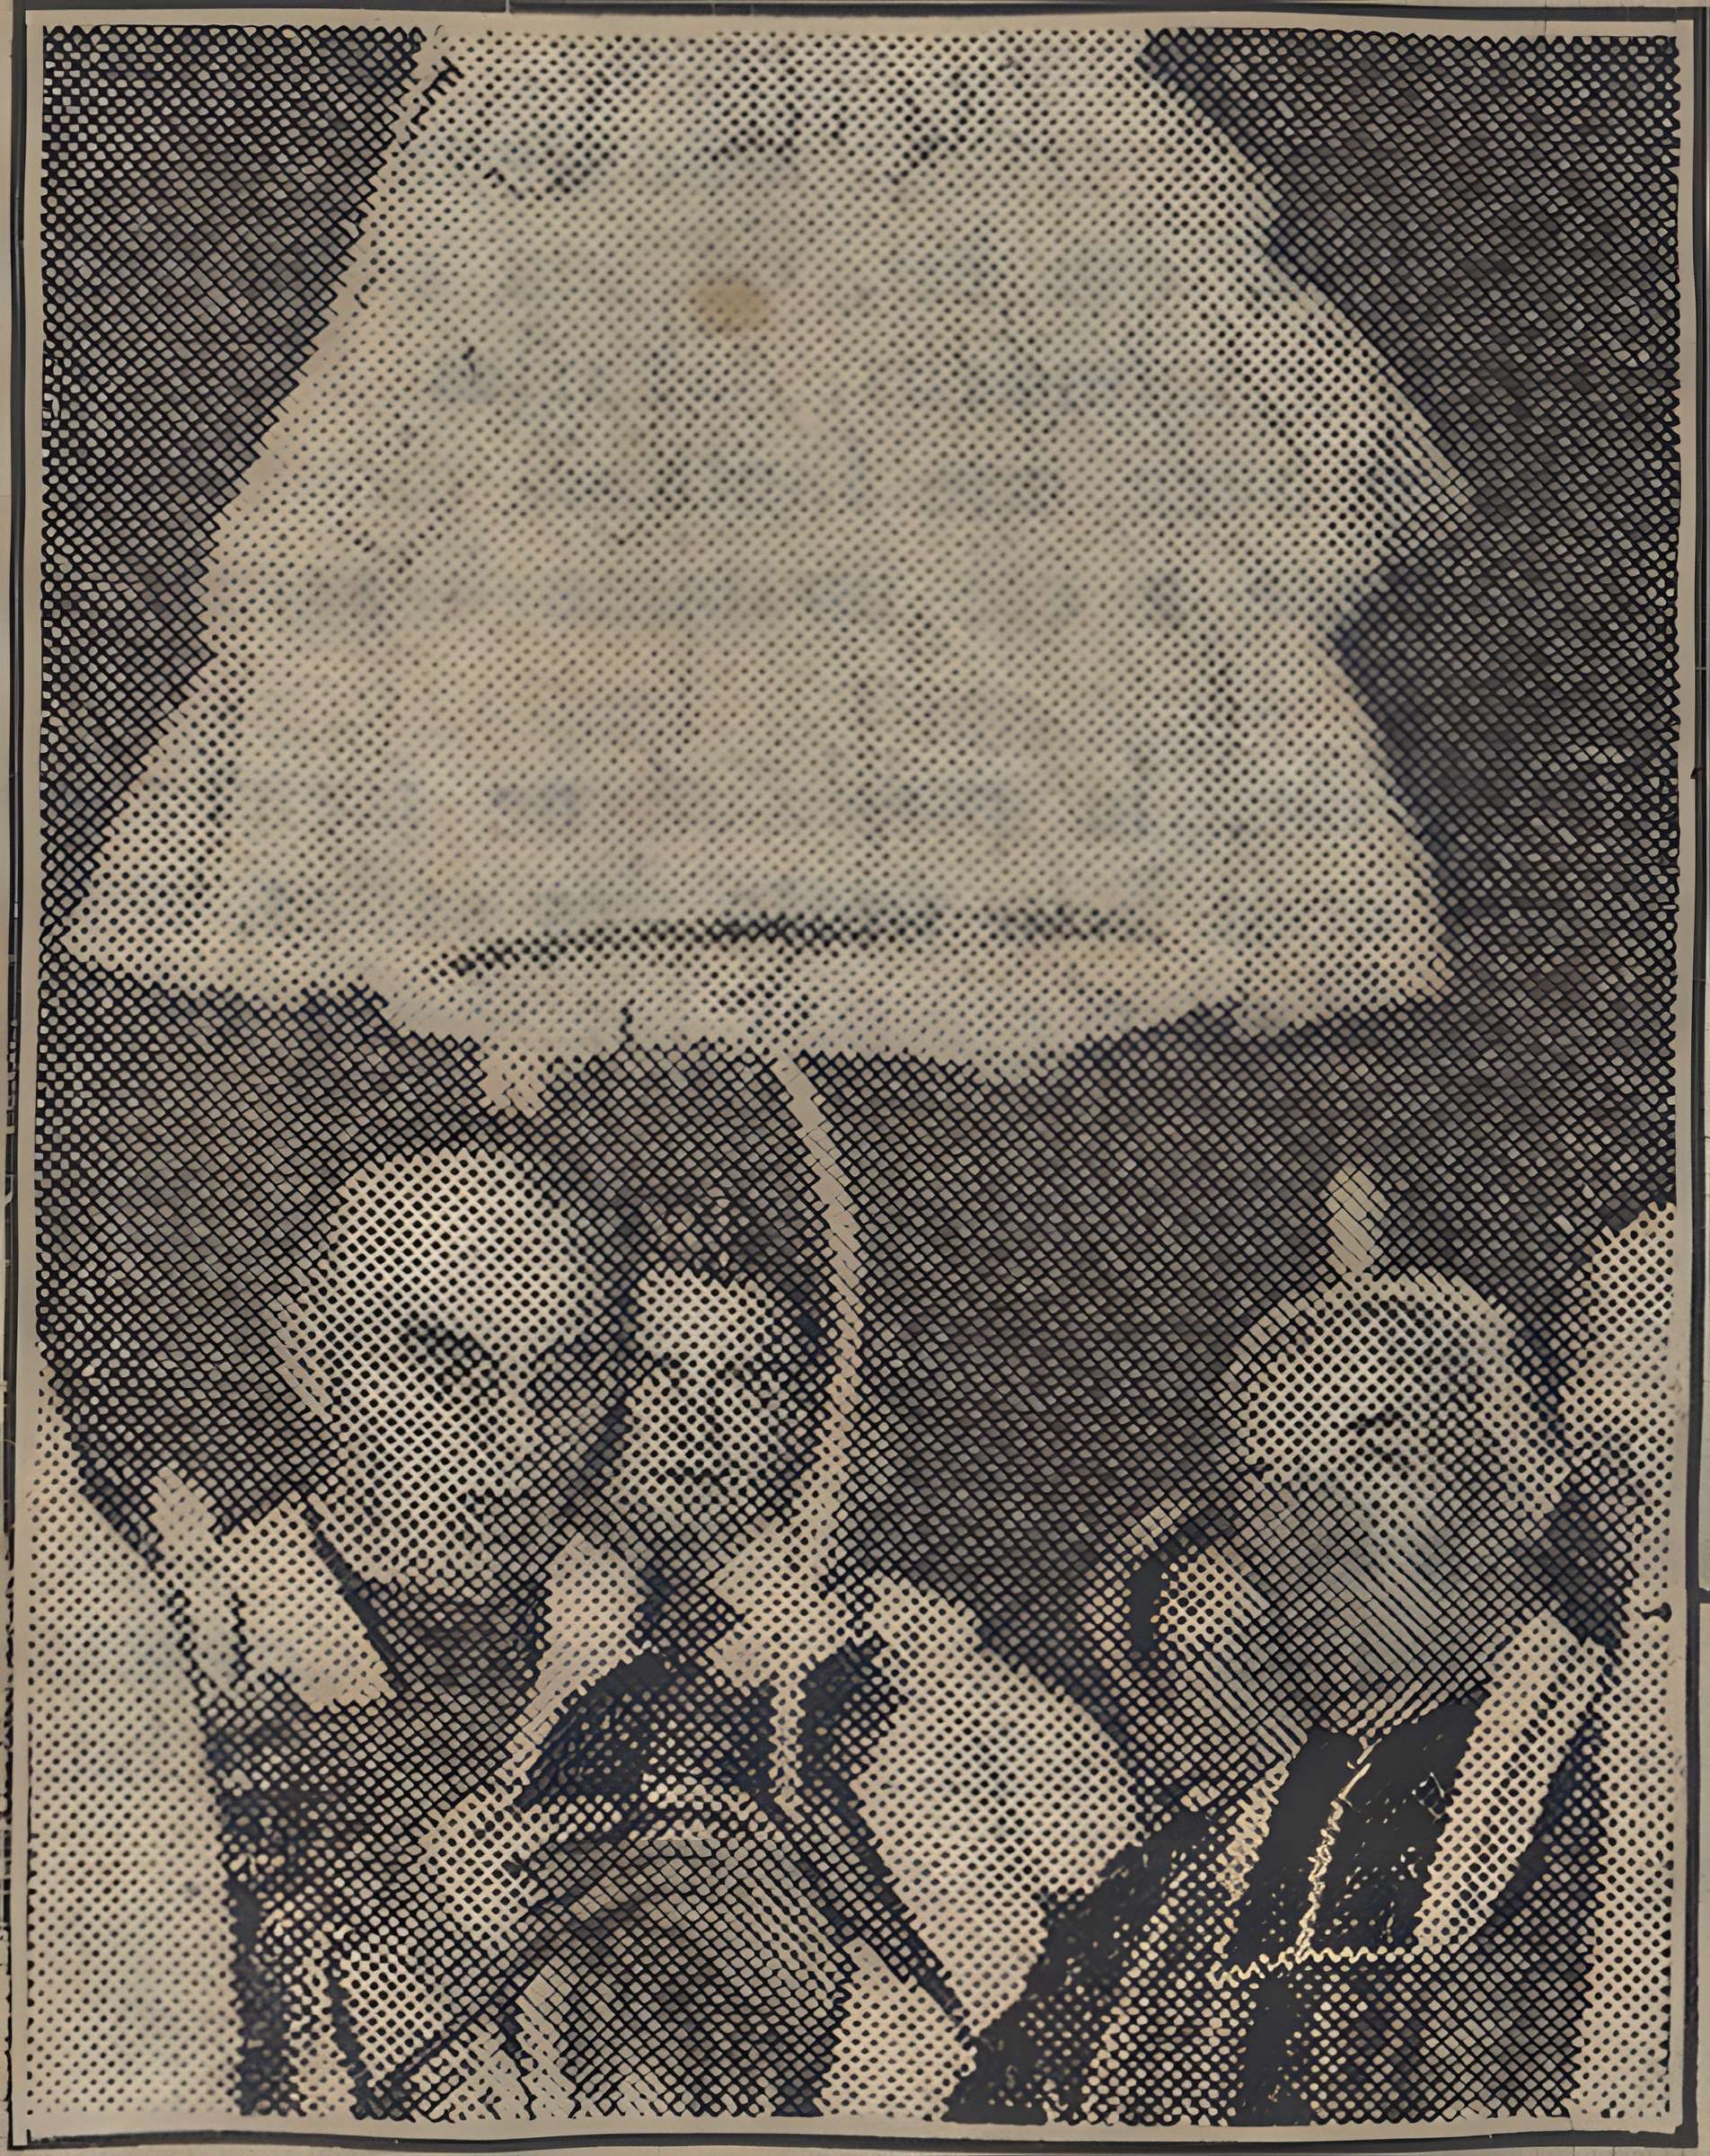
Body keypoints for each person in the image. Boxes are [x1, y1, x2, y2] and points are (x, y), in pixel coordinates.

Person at [162, 1146, 1141, 2124]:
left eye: (566, 1378)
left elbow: (1043, 2086)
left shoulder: (746, 1676)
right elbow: (154, 2084)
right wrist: (424, 1960)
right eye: (441, 1371)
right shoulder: (178, 1665)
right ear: (306, 1358)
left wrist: (825, 1997)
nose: (516, 1446)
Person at [953, 1257, 1610, 2130]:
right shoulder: (1160, 1900)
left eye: (1375, 1460)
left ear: (1526, 1478)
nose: (1314, 1534)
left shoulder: (1627, 1800)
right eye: (1266, 1489)